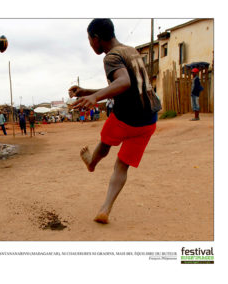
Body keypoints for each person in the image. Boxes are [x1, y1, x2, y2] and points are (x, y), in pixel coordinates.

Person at [68, 18, 161, 224]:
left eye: (89, 40)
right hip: (148, 120)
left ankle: (92, 163)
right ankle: (105, 208)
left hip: (125, 117)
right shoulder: (131, 51)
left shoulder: (111, 57)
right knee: (122, 166)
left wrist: (95, 98)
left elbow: (123, 82)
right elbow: (125, 85)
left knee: (105, 142)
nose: (90, 44)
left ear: (96, 38)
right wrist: (87, 91)